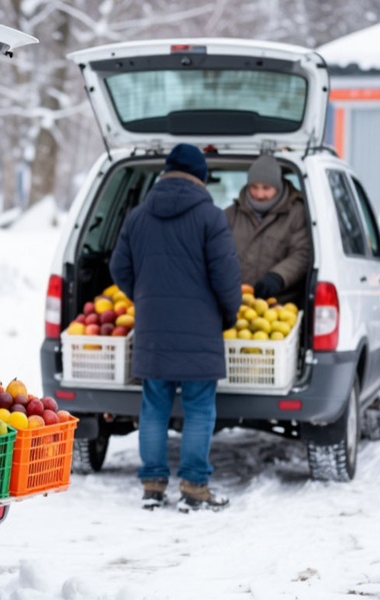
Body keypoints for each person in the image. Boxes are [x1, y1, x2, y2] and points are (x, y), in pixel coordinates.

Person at [110, 143, 242, 512]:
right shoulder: (210, 216)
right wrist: (227, 314)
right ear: (200, 177)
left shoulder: (138, 216)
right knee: (199, 408)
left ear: (165, 173)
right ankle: (194, 487)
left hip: (153, 330)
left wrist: (145, 297)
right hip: (200, 330)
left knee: (154, 407)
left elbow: (119, 268)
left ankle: (153, 486)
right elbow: (226, 277)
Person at [224, 155, 312, 306]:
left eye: (266, 188)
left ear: (278, 187)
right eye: (254, 187)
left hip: (279, 305)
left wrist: (278, 277)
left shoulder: (298, 213)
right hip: (235, 303)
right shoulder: (231, 214)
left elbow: (302, 253)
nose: (259, 194)